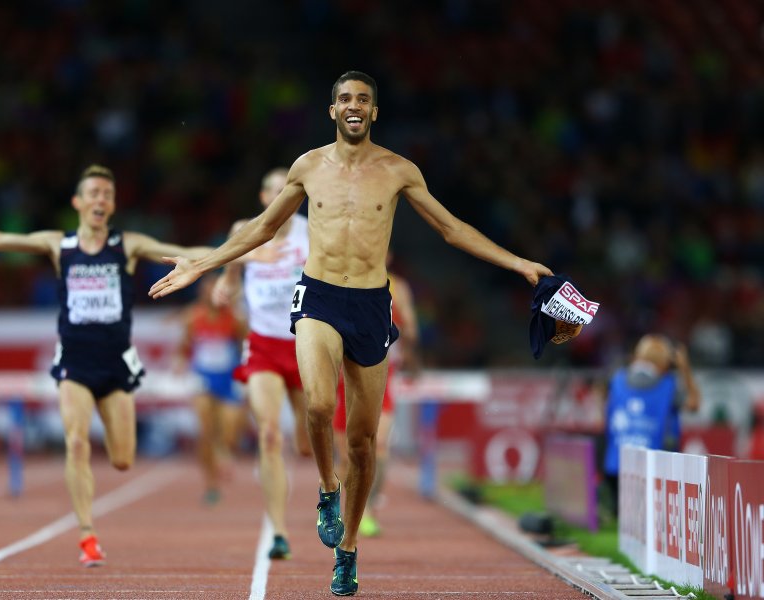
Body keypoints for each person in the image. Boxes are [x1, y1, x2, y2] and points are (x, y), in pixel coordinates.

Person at [149, 71, 551, 596]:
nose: (353, 106)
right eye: (344, 99)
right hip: (318, 295)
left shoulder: (398, 171)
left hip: (370, 304)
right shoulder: (308, 166)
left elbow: (451, 229)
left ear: (374, 112)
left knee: (362, 443)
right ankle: (326, 487)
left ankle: (348, 550)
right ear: (332, 110)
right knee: (318, 406)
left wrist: (516, 261)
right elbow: (262, 228)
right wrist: (202, 265)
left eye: (363, 99)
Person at [0, 164, 214, 567]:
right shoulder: (58, 245)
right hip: (75, 362)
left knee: (123, 459)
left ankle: (93, 515)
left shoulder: (127, 244)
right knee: (76, 442)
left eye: (107, 194)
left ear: (112, 205)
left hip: (116, 365)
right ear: (78, 202)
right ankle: (87, 534)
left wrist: (246, 247)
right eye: (93, 193)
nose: (100, 199)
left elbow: (189, 253)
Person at [210, 166, 312, 560]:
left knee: (309, 443)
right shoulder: (246, 228)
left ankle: (327, 493)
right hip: (264, 345)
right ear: (263, 197)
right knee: (270, 434)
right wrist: (226, 283)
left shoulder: (313, 228)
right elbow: (231, 272)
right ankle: (279, 531)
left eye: (289, 191)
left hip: (306, 345)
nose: (280, 198)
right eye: (274, 191)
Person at [333, 261, 419, 538]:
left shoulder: (398, 287)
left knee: (379, 446)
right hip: (343, 380)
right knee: (347, 457)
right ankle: (344, 508)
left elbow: (410, 328)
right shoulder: (340, 279)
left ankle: (369, 508)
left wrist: (408, 348)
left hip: (380, 378)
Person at [602, 334, 701, 514]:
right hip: (653, 470)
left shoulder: (617, 380)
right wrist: (685, 369)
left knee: (624, 519)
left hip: (616, 465)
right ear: (664, 363)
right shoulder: (668, 385)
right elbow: (694, 405)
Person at [175, 273, 248, 505]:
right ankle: (211, 483)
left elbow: (247, 347)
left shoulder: (236, 319)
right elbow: (184, 346)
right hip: (203, 379)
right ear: (202, 294)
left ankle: (223, 452)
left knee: (228, 433)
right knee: (205, 432)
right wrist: (179, 361)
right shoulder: (192, 317)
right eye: (207, 290)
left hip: (228, 379)